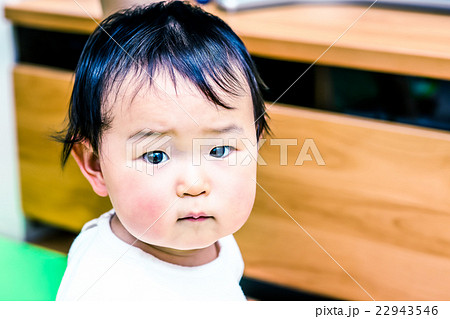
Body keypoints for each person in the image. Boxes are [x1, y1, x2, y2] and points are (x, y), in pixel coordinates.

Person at [56, 0, 269, 301]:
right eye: (156, 156)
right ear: (96, 165)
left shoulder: (214, 237)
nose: (195, 185)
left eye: (220, 150)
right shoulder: (106, 289)